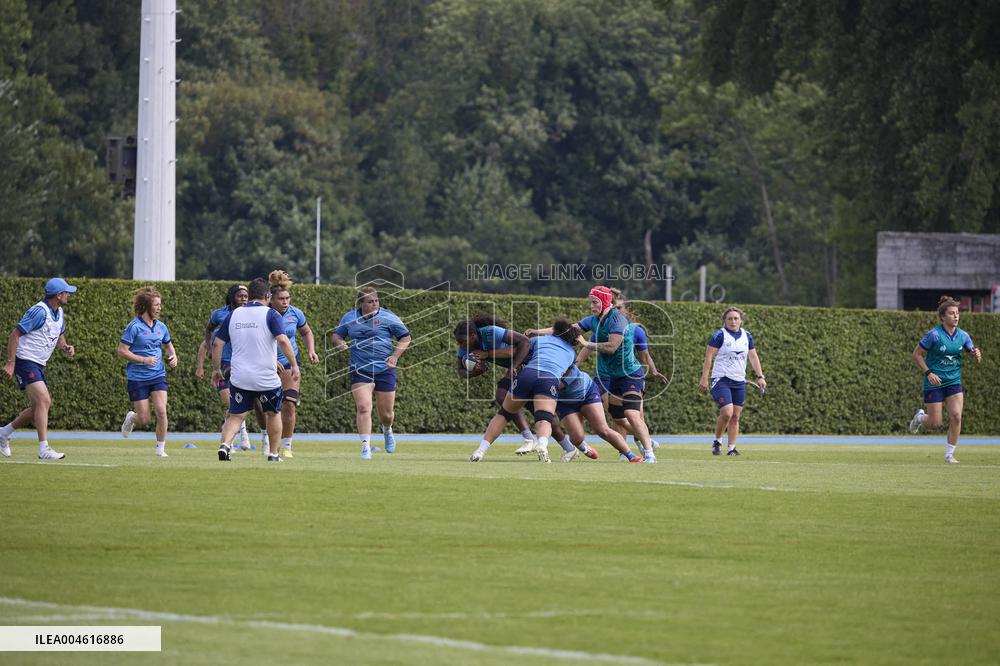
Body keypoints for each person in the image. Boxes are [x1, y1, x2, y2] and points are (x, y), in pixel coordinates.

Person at [212, 277, 299, 462]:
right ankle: (274, 454)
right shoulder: (271, 314)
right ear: (267, 295)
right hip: (265, 376)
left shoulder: (233, 315)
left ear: (249, 296)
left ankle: (225, 445)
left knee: (236, 415)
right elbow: (283, 341)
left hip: (239, 376)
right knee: (273, 413)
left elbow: (217, 343)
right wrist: (295, 365)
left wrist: (216, 369)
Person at [469, 320, 578, 463]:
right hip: (549, 379)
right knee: (544, 418)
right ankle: (542, 445)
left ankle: (480, 451)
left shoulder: (540, 340)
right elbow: (568, 372)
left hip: (527, 375)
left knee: (504, 414)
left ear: (554, 331)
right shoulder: (572, 352)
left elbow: (515, 350)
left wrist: (487, 355)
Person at [570, 286, 658, 463]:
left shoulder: (628, 326)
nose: (591, 306)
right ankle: (642, 441)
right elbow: (570, 331)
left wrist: (652, 370)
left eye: (619, 308)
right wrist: (538, 334)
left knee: (633, 415)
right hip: (609, 376)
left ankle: (649, 453)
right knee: (618, 418)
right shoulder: (596, 323)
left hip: (630, 375)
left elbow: (632, 352)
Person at [0, 278, 77, 460]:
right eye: (66, 292)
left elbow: (59, 335)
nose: (68, 295)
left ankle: (3, 433)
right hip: (25, 360)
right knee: (44, 400)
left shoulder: (59, 312)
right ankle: (44, 449)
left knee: (36, 409)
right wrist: (11, 363)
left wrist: (65, 346)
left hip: (39, 363)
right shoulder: (39, 312)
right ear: (58, 295)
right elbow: (15, 334)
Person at [332, 287, 411, 459]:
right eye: (370, 301)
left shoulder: (388, 317)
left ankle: (387, 430)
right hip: (360, 370)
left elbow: (406, 337)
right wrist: (340, 343)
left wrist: (395, 356)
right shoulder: (349, 317)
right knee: (363, 407)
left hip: (384, 370)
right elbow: (337, 335)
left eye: (376, 300)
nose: (374, 304)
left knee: (386, 414)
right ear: (361, 303)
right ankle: (365, 447)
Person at [908, 295, 982, 463]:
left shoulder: (963, 336)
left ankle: (949, 455)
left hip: (954, 382)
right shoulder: (933, 335)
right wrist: (929, 373)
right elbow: (917, 354)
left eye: (957, 313)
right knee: (935, 423)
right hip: (934, 382)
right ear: (942, 317)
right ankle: (920, 417)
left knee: (956, 416)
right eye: (951, 313)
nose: (956, 316)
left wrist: (976, 354)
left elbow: (972, 351)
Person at [454, 315, 537, 453]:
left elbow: (525, 342)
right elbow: (461, 371)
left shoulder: (490, 332)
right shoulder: (465, 349)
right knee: (503, 397)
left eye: (463, 341)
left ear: (473, 335)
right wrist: (474, 373)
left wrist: (513, 366)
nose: (461, 346)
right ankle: (530, 439)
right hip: (517, 369)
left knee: (538, 408)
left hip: (532, 362)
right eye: (459, 343)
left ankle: (567, 445)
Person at [117, 287, 178, 457]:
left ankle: (160, 449)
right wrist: (143, 360)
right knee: (144, 419)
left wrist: (173, 357)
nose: (159, 308)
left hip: (158, 375)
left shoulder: (161, 327)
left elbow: (167, 345)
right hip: (137, 378)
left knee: (161, 410)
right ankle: (132, 418)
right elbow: (122, 351)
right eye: (156, 305)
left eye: (160, 305)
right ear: (146, 306)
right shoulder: (134, 327)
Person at [698, 307, 766, 456]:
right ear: (725, 321)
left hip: (739, 381)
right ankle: (717, 440)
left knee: (735, 416)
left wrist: (760, 376)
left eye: (736, 318)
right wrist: (704, 378)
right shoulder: (719, 335)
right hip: (721, 379)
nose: (733, 321)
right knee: (727, 413)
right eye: (730, 318)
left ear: (741, 320)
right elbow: (708, 357)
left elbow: (753, 357)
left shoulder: (747, 336)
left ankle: (732, 448)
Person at [195, 284, 255, 450]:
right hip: (223, 365)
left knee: (238, 404)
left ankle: (227, 438)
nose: (244, 299)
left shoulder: (251, 314)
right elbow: (207, 333)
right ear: (232, 296)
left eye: (246, 296)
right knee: (231, 402)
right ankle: (243, 436)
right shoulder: (219, 314)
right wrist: (207, 351)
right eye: (240, 295)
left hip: (242, 362)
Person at [268, 270, 320, 458]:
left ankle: (287, 446)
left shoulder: (295, 313)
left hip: (290, 364)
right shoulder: (264, 314)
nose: (285, 302)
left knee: (289, 404)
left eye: (287, 298)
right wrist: (270, 360)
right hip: (266, 365)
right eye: (281, 299)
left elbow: (306, 332)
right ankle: (267, 439)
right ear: (271, 299)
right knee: (267, 407)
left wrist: (311, 351)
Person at [556, 364, 642, 462]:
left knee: (603, 430)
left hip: (588, 392)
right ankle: (583, 447)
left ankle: (631, 456)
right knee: (577, 438)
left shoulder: (565, 359)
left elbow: (556, 385)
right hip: (565, 402)